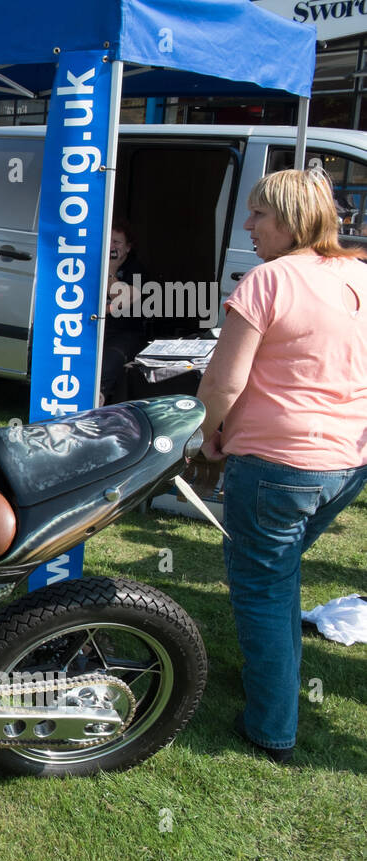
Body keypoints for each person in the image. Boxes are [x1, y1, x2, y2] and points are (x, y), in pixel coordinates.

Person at [196, 168, 367, 763]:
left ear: (291, 220)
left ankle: (271, 725)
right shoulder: (359, 276)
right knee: (281, 575)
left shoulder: (267, 281)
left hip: (277, 465)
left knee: (264, 588)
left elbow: (222, 380)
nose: (248, 226)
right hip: (346, 466)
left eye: (258, 215)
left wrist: (204, 436)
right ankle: (275, 691)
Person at [100, 217, 149, 404]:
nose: (111, 246)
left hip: (124, 332)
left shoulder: (136, 270)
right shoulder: (89, 263)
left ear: (128, 247)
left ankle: (96, 405)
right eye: (108, 240)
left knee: (108, 363)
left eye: (116, 242)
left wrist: (111, 269)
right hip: (95, 326)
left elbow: (120, 299)